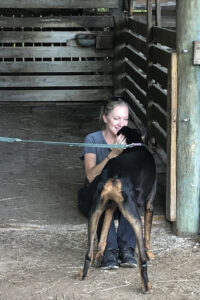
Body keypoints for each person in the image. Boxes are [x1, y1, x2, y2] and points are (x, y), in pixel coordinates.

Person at [78, 96, 137, 270]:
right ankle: (109, 250)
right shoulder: (93, 139)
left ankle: (126, 248)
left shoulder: (130, 139)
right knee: (102, 195)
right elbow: (90, 176)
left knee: (129, 193)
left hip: (119, 198)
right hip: (94, 196)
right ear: (105, 118)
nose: (121, 123)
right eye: (116, 118)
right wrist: (113, 154)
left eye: (125, 119)